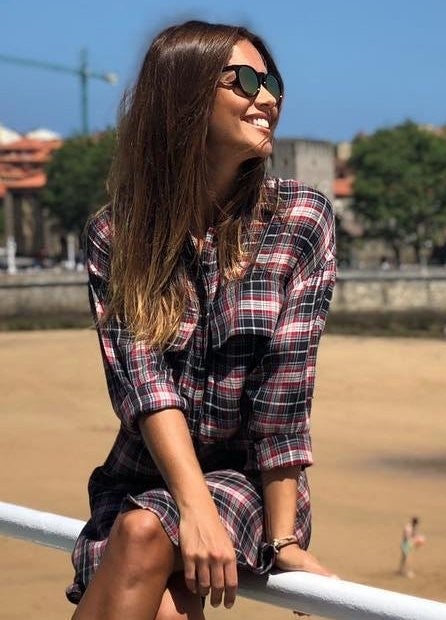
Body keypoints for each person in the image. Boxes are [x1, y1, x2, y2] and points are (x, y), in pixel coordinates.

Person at [66, 21, 336, 617]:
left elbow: (286, 393)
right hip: (142, 475)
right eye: (242, 80)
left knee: (140, 535)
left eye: (272, 82)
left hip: (253, 485)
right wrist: (192, 507)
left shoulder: (299, 220)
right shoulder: (116, 234)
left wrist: (284, 540)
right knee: (149, 567)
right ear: (184, 94)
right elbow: (142, 383)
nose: (266, 97)